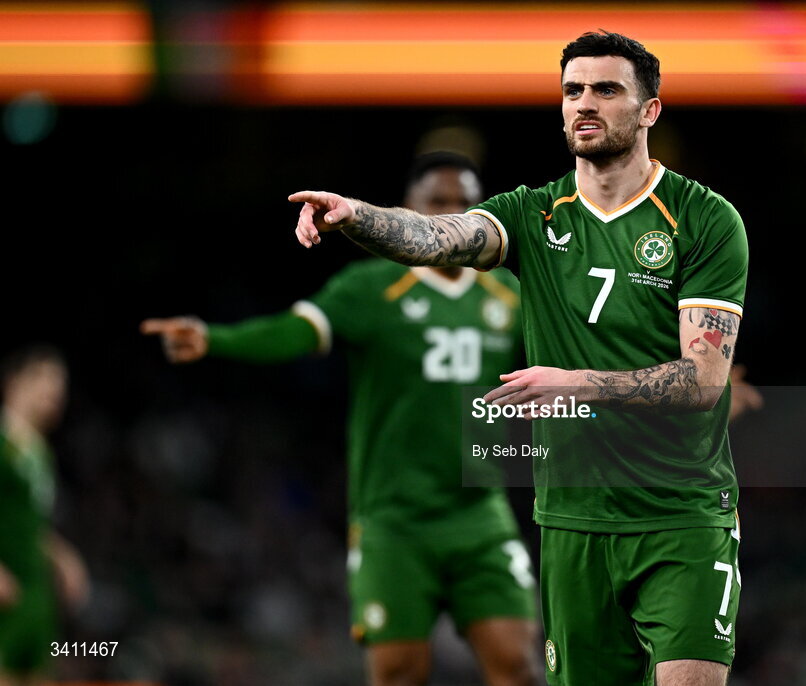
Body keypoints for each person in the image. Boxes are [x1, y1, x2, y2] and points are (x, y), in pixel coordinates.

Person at [288, 31, 749, 686]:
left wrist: (577, 383)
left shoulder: (704, 220)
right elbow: (439, 237)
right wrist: (356, 215)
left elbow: (702, 379)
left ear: (649, 111)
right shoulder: (533, 213)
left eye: (606, 90)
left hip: (681, 515)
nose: (584, 104)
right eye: (573, 91)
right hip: (572, 519)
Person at [141, 152, 541, 686]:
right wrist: (216, 339)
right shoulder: (369, 287)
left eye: (464, 203)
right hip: (393, 519)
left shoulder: (509, 294)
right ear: (409, 210)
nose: (451, 213)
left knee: (518, 665)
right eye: (438, 202)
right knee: (398, 673)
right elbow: (297, 332)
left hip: (479, 513)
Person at [0, 344, 90, 686]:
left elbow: (30, 522)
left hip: (36, 596)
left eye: (61, 384)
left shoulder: (40, 453)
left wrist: (63, 557)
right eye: (45, 378)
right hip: (6, 593)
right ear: (14, 381)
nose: (55, 391)